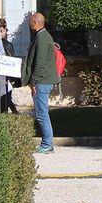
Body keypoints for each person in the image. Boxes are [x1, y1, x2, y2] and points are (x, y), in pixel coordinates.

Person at [21, 12, 58, 153]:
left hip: (42, 81)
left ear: (36, 23)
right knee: (42, 113)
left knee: (42, 113)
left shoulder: (42, 38)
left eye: (31, 21)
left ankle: (47, 144)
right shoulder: (42, 36)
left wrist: (34, 82)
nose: (29, 23)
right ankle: (47, 143)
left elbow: (40, 63)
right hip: (42, 81)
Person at [0, 17, 17, 113]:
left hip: (4, 80)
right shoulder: (5, 45)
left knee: (5, 102)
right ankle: (14, 112)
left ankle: (14, 112)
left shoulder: (8, 45)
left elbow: (12, 61)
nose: (0, 33)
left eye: (2, 31)